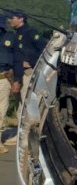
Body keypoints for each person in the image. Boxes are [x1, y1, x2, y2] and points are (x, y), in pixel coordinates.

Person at [5, 10, 45, 147]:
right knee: (18, 105)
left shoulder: (31, 32)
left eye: (12, 17)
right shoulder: (16, 34)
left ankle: (24, 137)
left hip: (28, 73)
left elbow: (44, 48)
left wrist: (32, 62)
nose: (10, 20)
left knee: (25, 104)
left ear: (21, 19)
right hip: (17, 73)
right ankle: (19, 133)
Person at [0, 16, 22, 153]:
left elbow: (17, 61)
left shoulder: (10, 38)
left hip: (3, 78)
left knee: (1, 109)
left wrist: (16, 80)